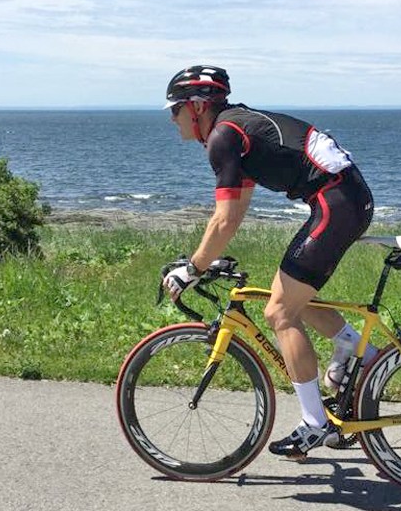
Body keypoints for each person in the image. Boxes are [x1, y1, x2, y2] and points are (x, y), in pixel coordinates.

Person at [160, 65, 380, 458]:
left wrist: (192, 269)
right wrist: (206, 259)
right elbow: (235, 211)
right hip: (343, 199)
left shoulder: (224, 136)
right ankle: (358, 351)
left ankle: (315, 423)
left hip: (337, 203)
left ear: (197, 107)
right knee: (289, 294)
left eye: (175, 109)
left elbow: (225, 220)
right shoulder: (234, 130)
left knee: (279, 312)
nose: (172, 118)